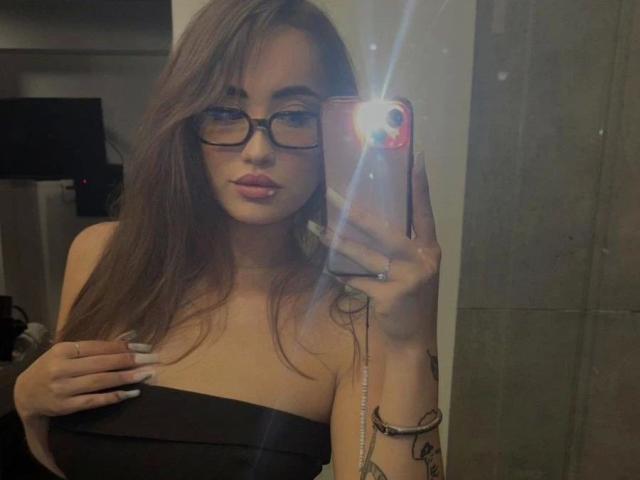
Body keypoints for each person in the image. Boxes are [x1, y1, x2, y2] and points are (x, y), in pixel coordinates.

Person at [13, 0, 444, 478]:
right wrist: (27, 406)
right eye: (224, 110)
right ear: (186, 121)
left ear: (334, 134)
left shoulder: (349, 326)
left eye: (295, 116)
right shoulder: (100, 256)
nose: (257, 150)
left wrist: (412, 346)